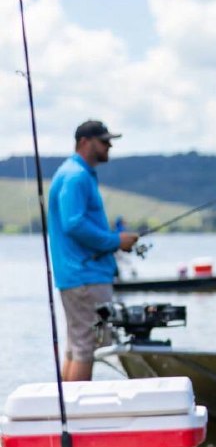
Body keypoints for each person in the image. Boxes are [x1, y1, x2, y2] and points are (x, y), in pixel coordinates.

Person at [48, 120, 139, 381]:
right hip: (84, 276)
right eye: (104, 141)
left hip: (80, 275)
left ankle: (65, 410)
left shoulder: (76, 173)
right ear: (85, 142)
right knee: (86, 348)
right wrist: (115, 241)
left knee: (76, 347)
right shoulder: (76, 176)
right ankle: (76, 415)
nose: (109, 146)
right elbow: (73, 223)